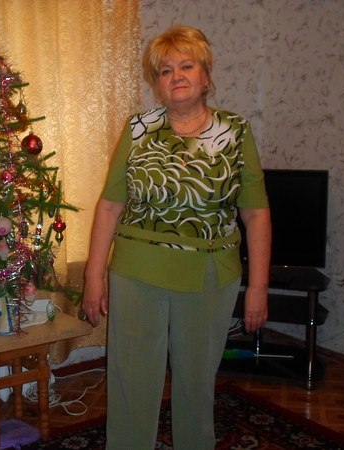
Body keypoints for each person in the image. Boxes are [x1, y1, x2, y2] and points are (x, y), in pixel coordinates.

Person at [82, 25, 271, 450]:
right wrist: (94, 275)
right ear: (157, 84)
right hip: (137, 271)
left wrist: (259, 286)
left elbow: (256, 213)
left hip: (209, 275)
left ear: (206, 75)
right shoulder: (138, 129)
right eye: (165, 71)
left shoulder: (236, 131)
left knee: (196, 382)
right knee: (131, 382)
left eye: (187, 66)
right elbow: (110, 205)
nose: (177, 76)